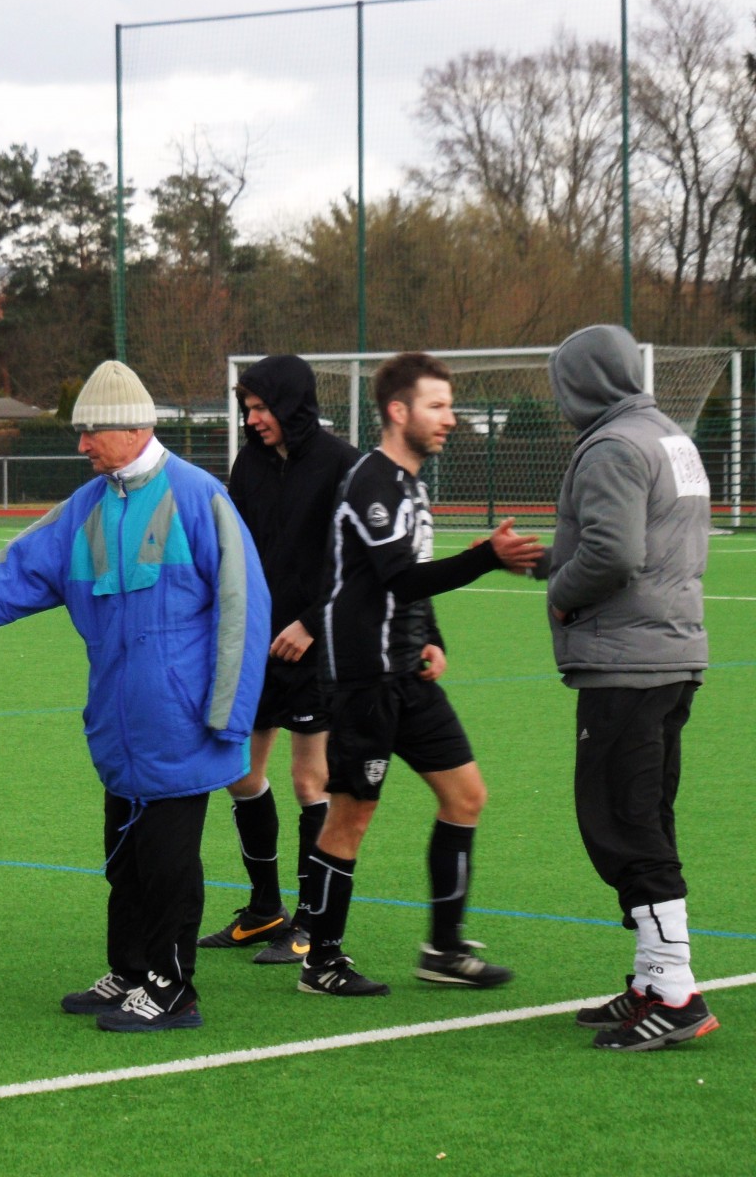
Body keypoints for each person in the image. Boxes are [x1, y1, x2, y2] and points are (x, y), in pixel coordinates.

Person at [0, 360, 269, 1033]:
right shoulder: (86, 510)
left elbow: (246, 608)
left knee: (167, 867)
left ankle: (172, 990)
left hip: (182, 727)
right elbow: (2, 581)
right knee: (124, 861)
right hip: (118, 728)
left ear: (131, 427)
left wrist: (228, 717)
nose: (80, 446)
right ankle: (129, 972)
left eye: (89, 432)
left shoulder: (198, 496)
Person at [297, 352, 542, 997]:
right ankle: (321, 962)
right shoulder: (371, 480)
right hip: (361, 680)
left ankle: (443, 948)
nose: (449, 419)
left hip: (407, 674)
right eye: (437, 406)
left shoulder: (411, 484)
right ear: (397, 411)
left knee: (465, 797)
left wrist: (431, 637)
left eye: (449, 406)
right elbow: (400, 576)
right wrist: (486, 557)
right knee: (352, 816)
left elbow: (409, 582)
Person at [545, 325, 719, 1051]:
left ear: (583, 382)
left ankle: (674, 990)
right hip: (671, 649)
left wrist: (559, 586)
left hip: (628, 657)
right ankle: (653, 977)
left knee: (621, 820)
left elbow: (614, 552)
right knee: (645, 812)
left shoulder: (613, 446)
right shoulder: (666, 435)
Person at [199, 355, 358, 964]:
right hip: (253, 642)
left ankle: (313, 923)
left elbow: (357, 565)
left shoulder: (343, 465)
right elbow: (236, 550)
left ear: (293, 405)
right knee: (238, 771)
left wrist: (312, 624)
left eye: (262, 407)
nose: (253, 418)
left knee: (308, 779)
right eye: (249, 408)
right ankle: (266, 908)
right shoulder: (250, 464)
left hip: (317, 649)